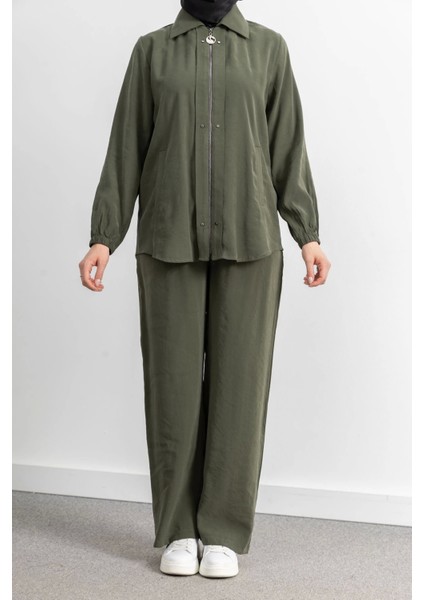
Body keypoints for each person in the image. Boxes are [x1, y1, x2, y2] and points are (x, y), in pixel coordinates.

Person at [78, 0, 331, 579]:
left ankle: (221, 532)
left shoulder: (268, 48)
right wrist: (103, 235)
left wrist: (308, 234)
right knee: (171, 387)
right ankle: (178, 530)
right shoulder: (151, 51)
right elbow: (125, 146)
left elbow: (288, 146)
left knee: (240, 387)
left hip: (251, 238)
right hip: (168, 237)